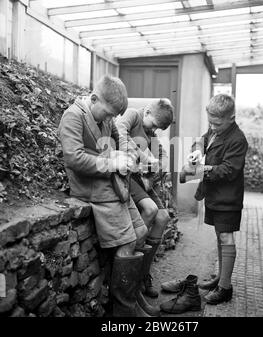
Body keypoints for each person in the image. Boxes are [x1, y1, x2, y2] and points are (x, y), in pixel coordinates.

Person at [57, 75, 159, 317]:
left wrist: (130, 156)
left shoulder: (106, 116)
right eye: (109, 113)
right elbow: (73, 157)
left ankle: (134, 295)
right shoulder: (73, 116)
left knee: (141, 232)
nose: (111, 119)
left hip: (113, 185)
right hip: (92, 187)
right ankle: (125, 310)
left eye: (114, 115)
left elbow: (120, 139)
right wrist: (111, 162)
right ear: (93, 99)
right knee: (126, 243)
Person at [160, 94, 248, 313]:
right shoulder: (216, 130)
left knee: (226, 237)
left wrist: (198, 171)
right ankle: (221, 277)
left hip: (228, 199)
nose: (212, 126)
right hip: (215, 196)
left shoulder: (238, 139)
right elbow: (203, 138)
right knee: (220, 236)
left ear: (231, 118)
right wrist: (197, 150)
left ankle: (225, 288)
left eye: (217, 123)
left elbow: (229, 170)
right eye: (210, 122)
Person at [116, 98, 173, 298]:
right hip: (126, 175)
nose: (154, 131)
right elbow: (119, 132)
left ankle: (143, 274)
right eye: (155, 125)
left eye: (158, 129)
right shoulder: (133, 115)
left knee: (163, 218)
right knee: (151, 210)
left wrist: (158, 166)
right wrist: (143, 156)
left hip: (142, 179)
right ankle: (132, 274)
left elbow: (163, 155)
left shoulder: (150, 131)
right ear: (147, 112)